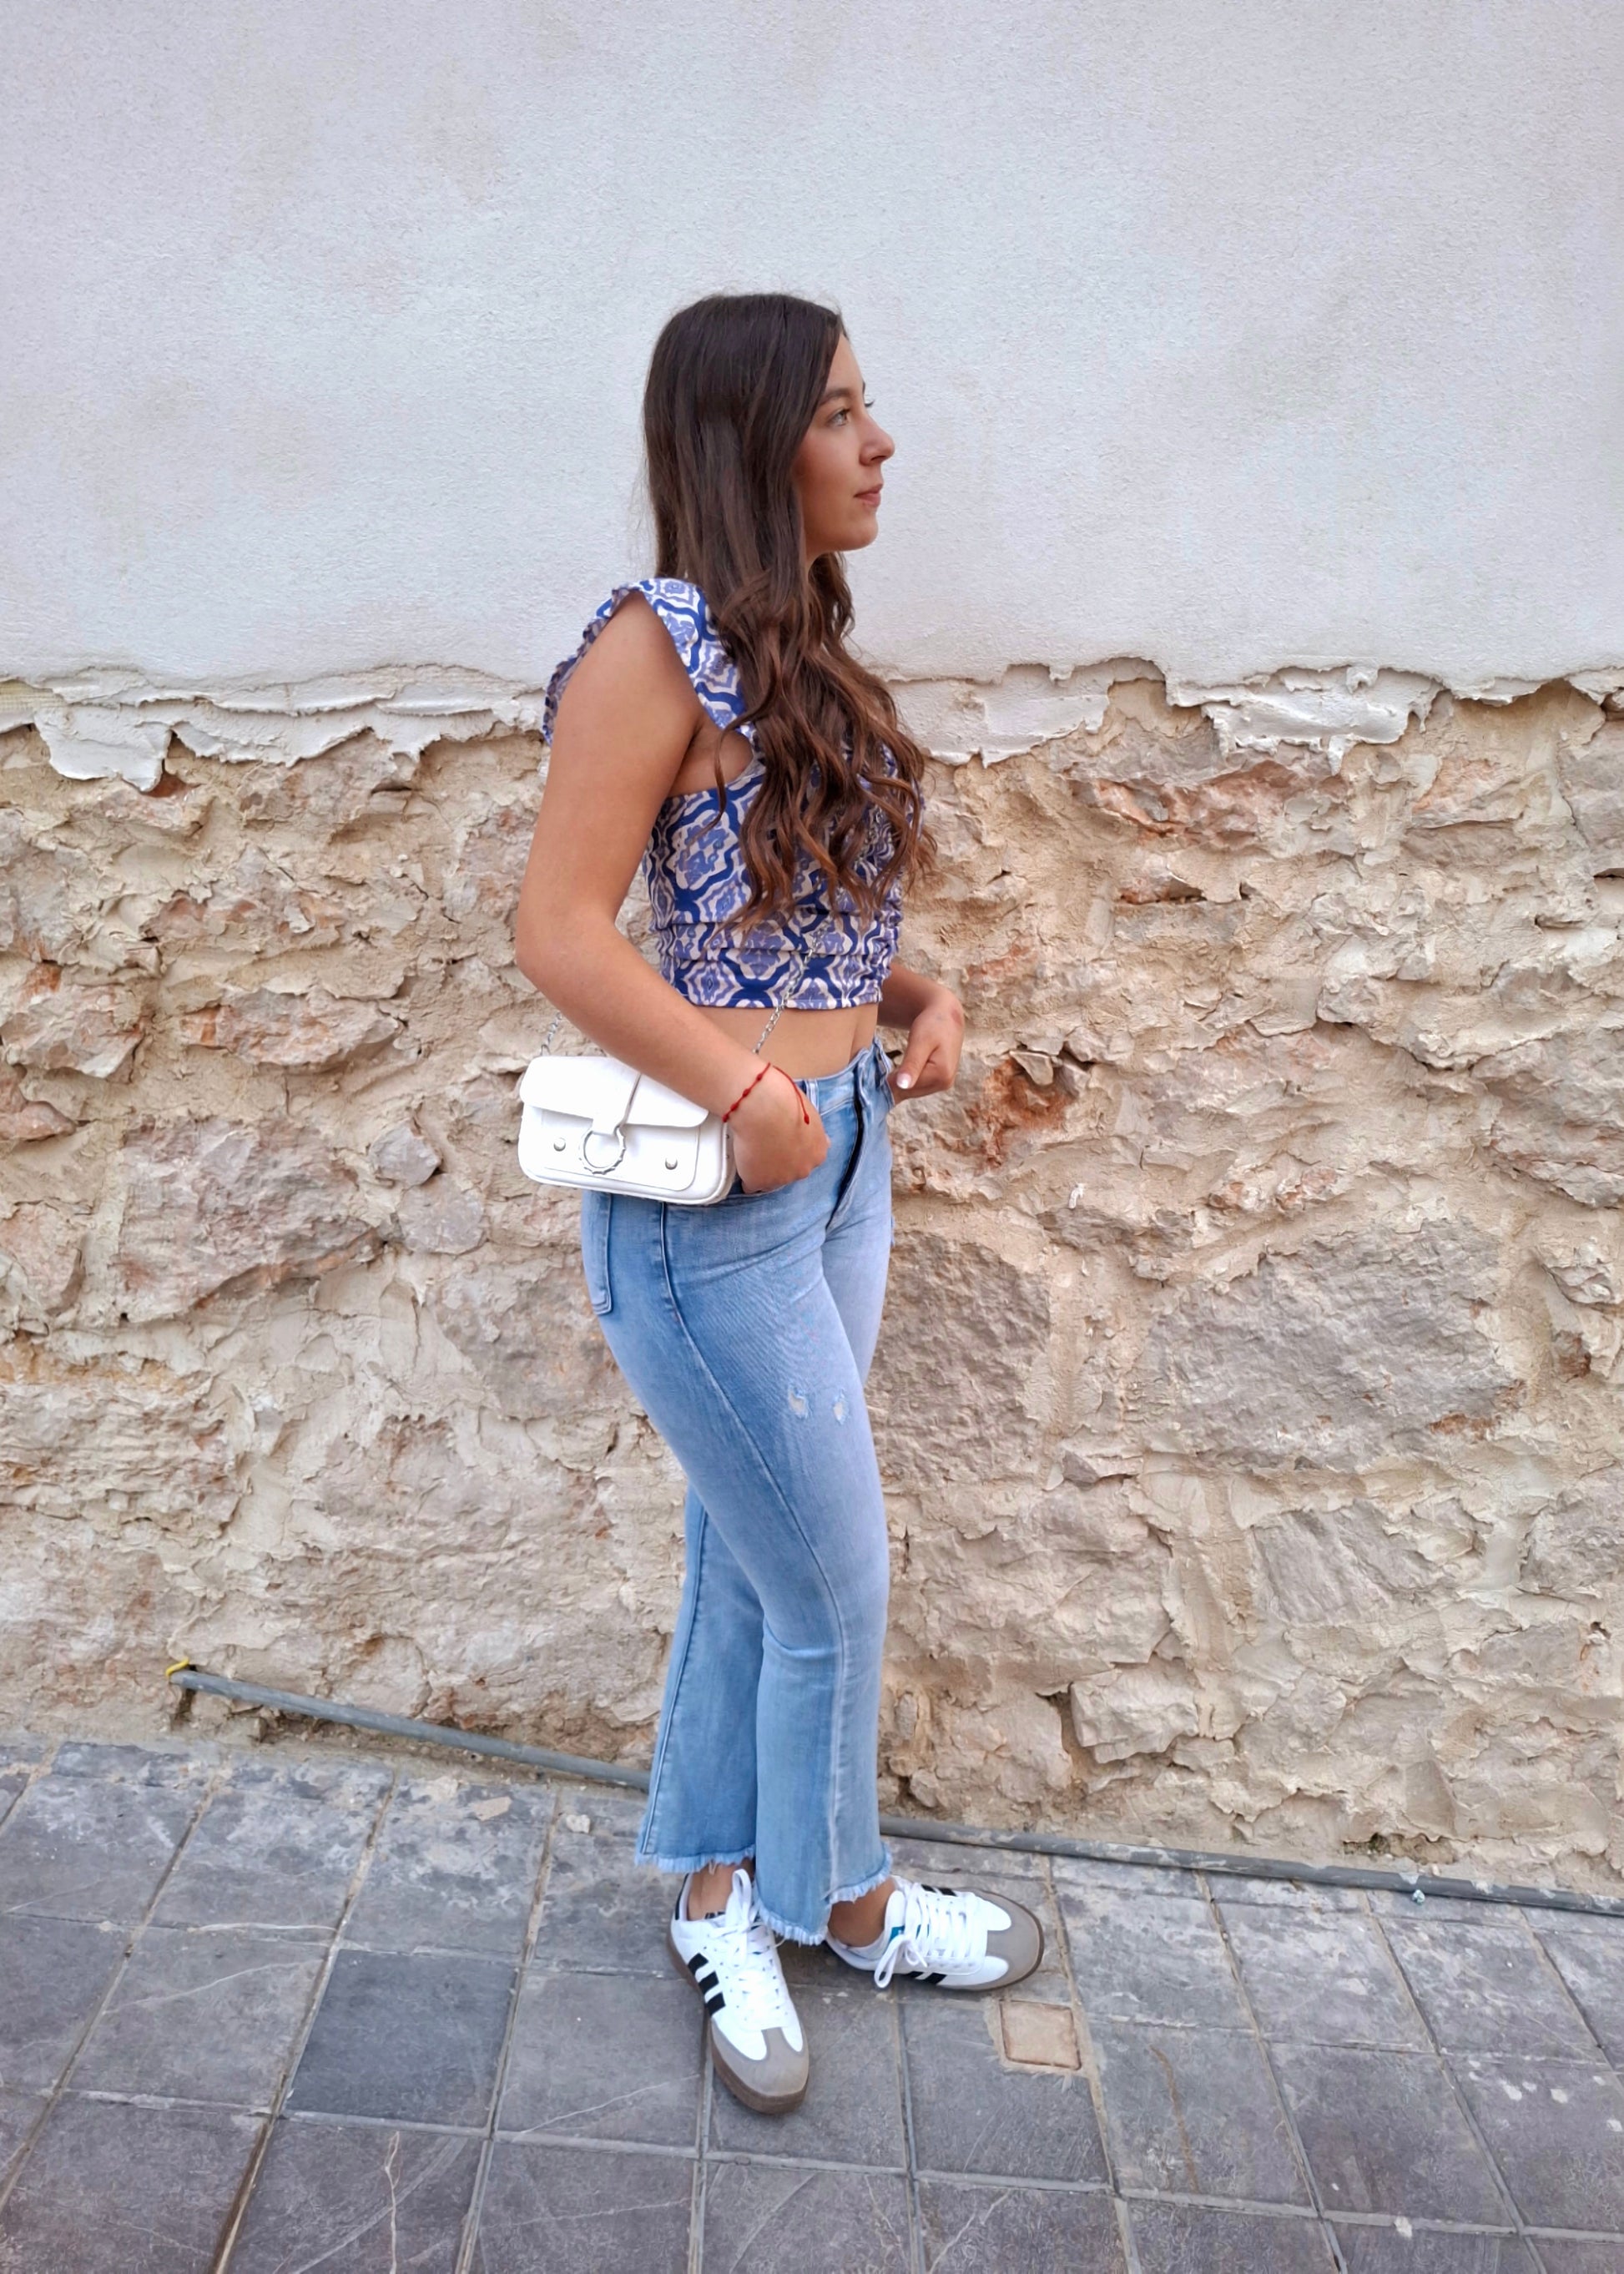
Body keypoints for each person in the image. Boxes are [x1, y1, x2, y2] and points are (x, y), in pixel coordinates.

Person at [514, 292, 1041, 2116]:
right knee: (832, 1579)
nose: (878, 443)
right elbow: (559, 930)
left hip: (836, 1156)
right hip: (716, 1190)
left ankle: (713, 1890)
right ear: (750, 443)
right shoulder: (649, 647)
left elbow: (803, 919)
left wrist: (918, 995)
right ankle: (847, 1901)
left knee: (753, 1556)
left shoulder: (800, 654)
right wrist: (747, 1093)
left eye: (866, 408)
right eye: (838, 413)